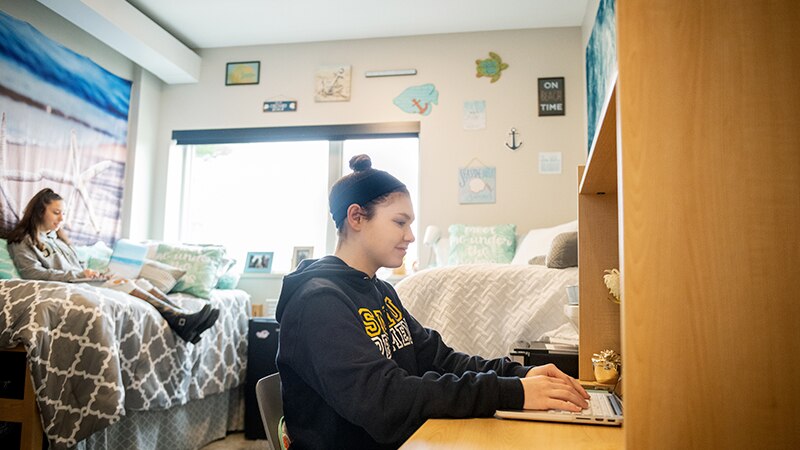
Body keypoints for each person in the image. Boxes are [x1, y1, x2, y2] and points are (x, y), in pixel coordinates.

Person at [276, 155, 589, 449]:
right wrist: (512, 393)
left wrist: (519, 375)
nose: (410, 236)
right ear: (356, 217)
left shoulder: (381, 291)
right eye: (400, 222)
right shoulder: (317, 302)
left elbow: (441, 359)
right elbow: (386, 399)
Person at [6, 188, 218, 343]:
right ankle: (180, 320)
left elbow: (76, 265)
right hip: (70, 284)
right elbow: (32, 273)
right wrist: (80, 273)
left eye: (63, 213)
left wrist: (91, 272)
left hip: (82, 280)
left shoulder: (58, 239)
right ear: (39, 211)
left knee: (140, 282)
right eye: (56, 212)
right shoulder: (22, 240)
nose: (62, 218)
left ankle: (182, 316)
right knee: (125, 285)